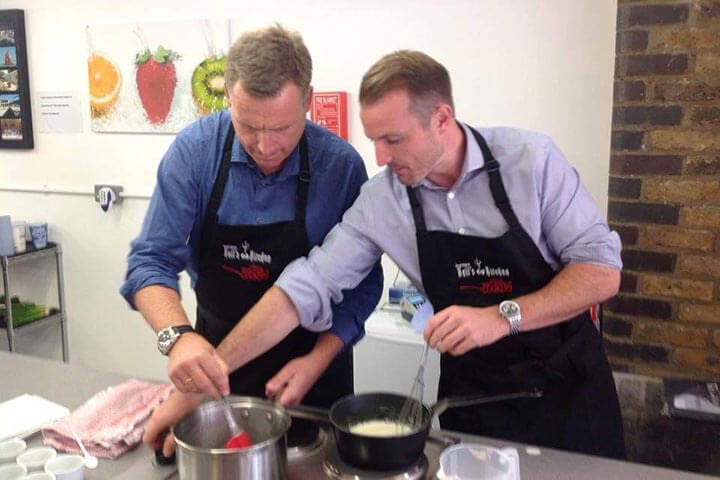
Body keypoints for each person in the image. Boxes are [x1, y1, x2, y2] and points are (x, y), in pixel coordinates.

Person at [154, 48, 627, 459]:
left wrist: (501, 316)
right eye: (373, 138)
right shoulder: (386, 200)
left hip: (570, 388)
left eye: (393, 139)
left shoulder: (532, 161)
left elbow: (601, 270)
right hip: (473, 398)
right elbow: (306, 286)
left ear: (442, 119)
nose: (379, 158)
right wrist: (204, 378)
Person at [121, 24, 382, 455]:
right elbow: (149, 263)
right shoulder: (194, 154)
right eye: (247, 126)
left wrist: (318, 360)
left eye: (281, 128)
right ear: (228, 98)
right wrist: (177, 337)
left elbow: (364, 286)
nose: (264, 145)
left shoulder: (340, 168)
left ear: (308, 100)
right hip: (217, 370)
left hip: (313, 377)